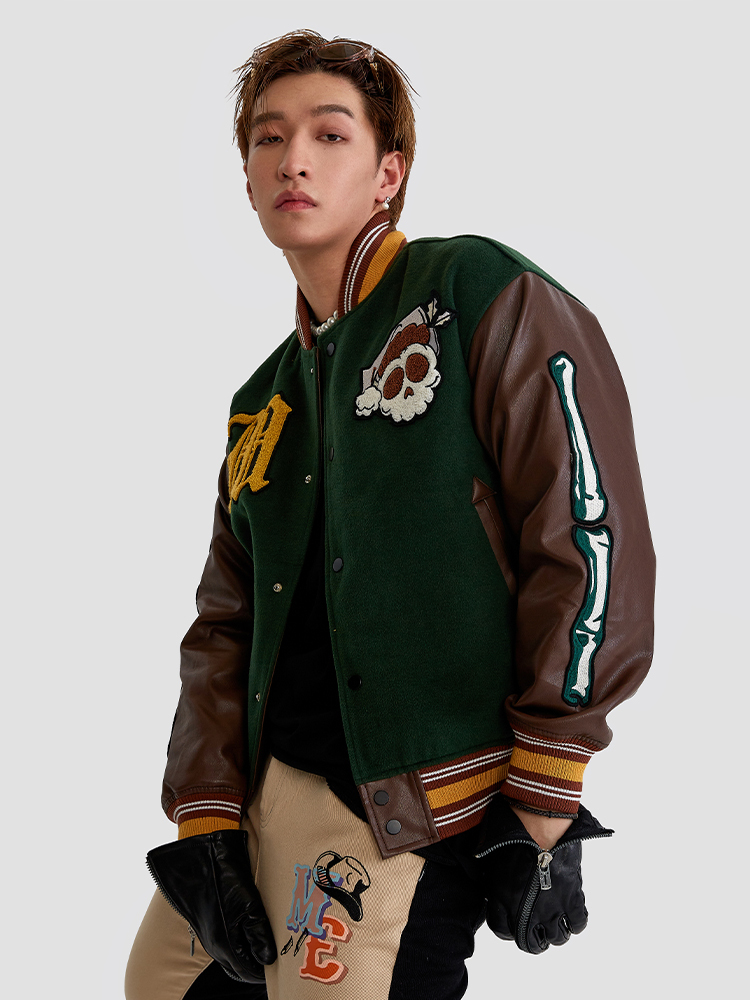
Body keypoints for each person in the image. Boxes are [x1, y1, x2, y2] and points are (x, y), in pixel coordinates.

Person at [125, 29, 655, 1000]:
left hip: (401, 809)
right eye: (268, 138)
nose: (293, 159)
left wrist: (547, 790)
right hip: (258, 802)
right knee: (155, 986)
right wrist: (204, 819)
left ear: (388, 173)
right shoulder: (263, 399)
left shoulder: (477, 293)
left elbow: (588, 534)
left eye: (330, 134)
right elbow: (222, 627)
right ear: (246, 178)